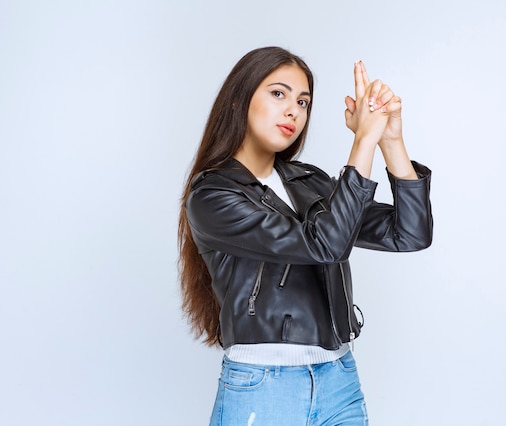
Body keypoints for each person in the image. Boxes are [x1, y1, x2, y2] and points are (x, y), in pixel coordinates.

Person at [178, 46, 433, 425]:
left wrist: (389, 141)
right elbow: (324, 245)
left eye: (303, 101)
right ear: (238, 100)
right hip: (264, 389)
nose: (293, 110)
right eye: (278, 93)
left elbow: (410, 233)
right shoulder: (212, 196)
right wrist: (361, 141)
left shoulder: (308, 181)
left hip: (339, 379)